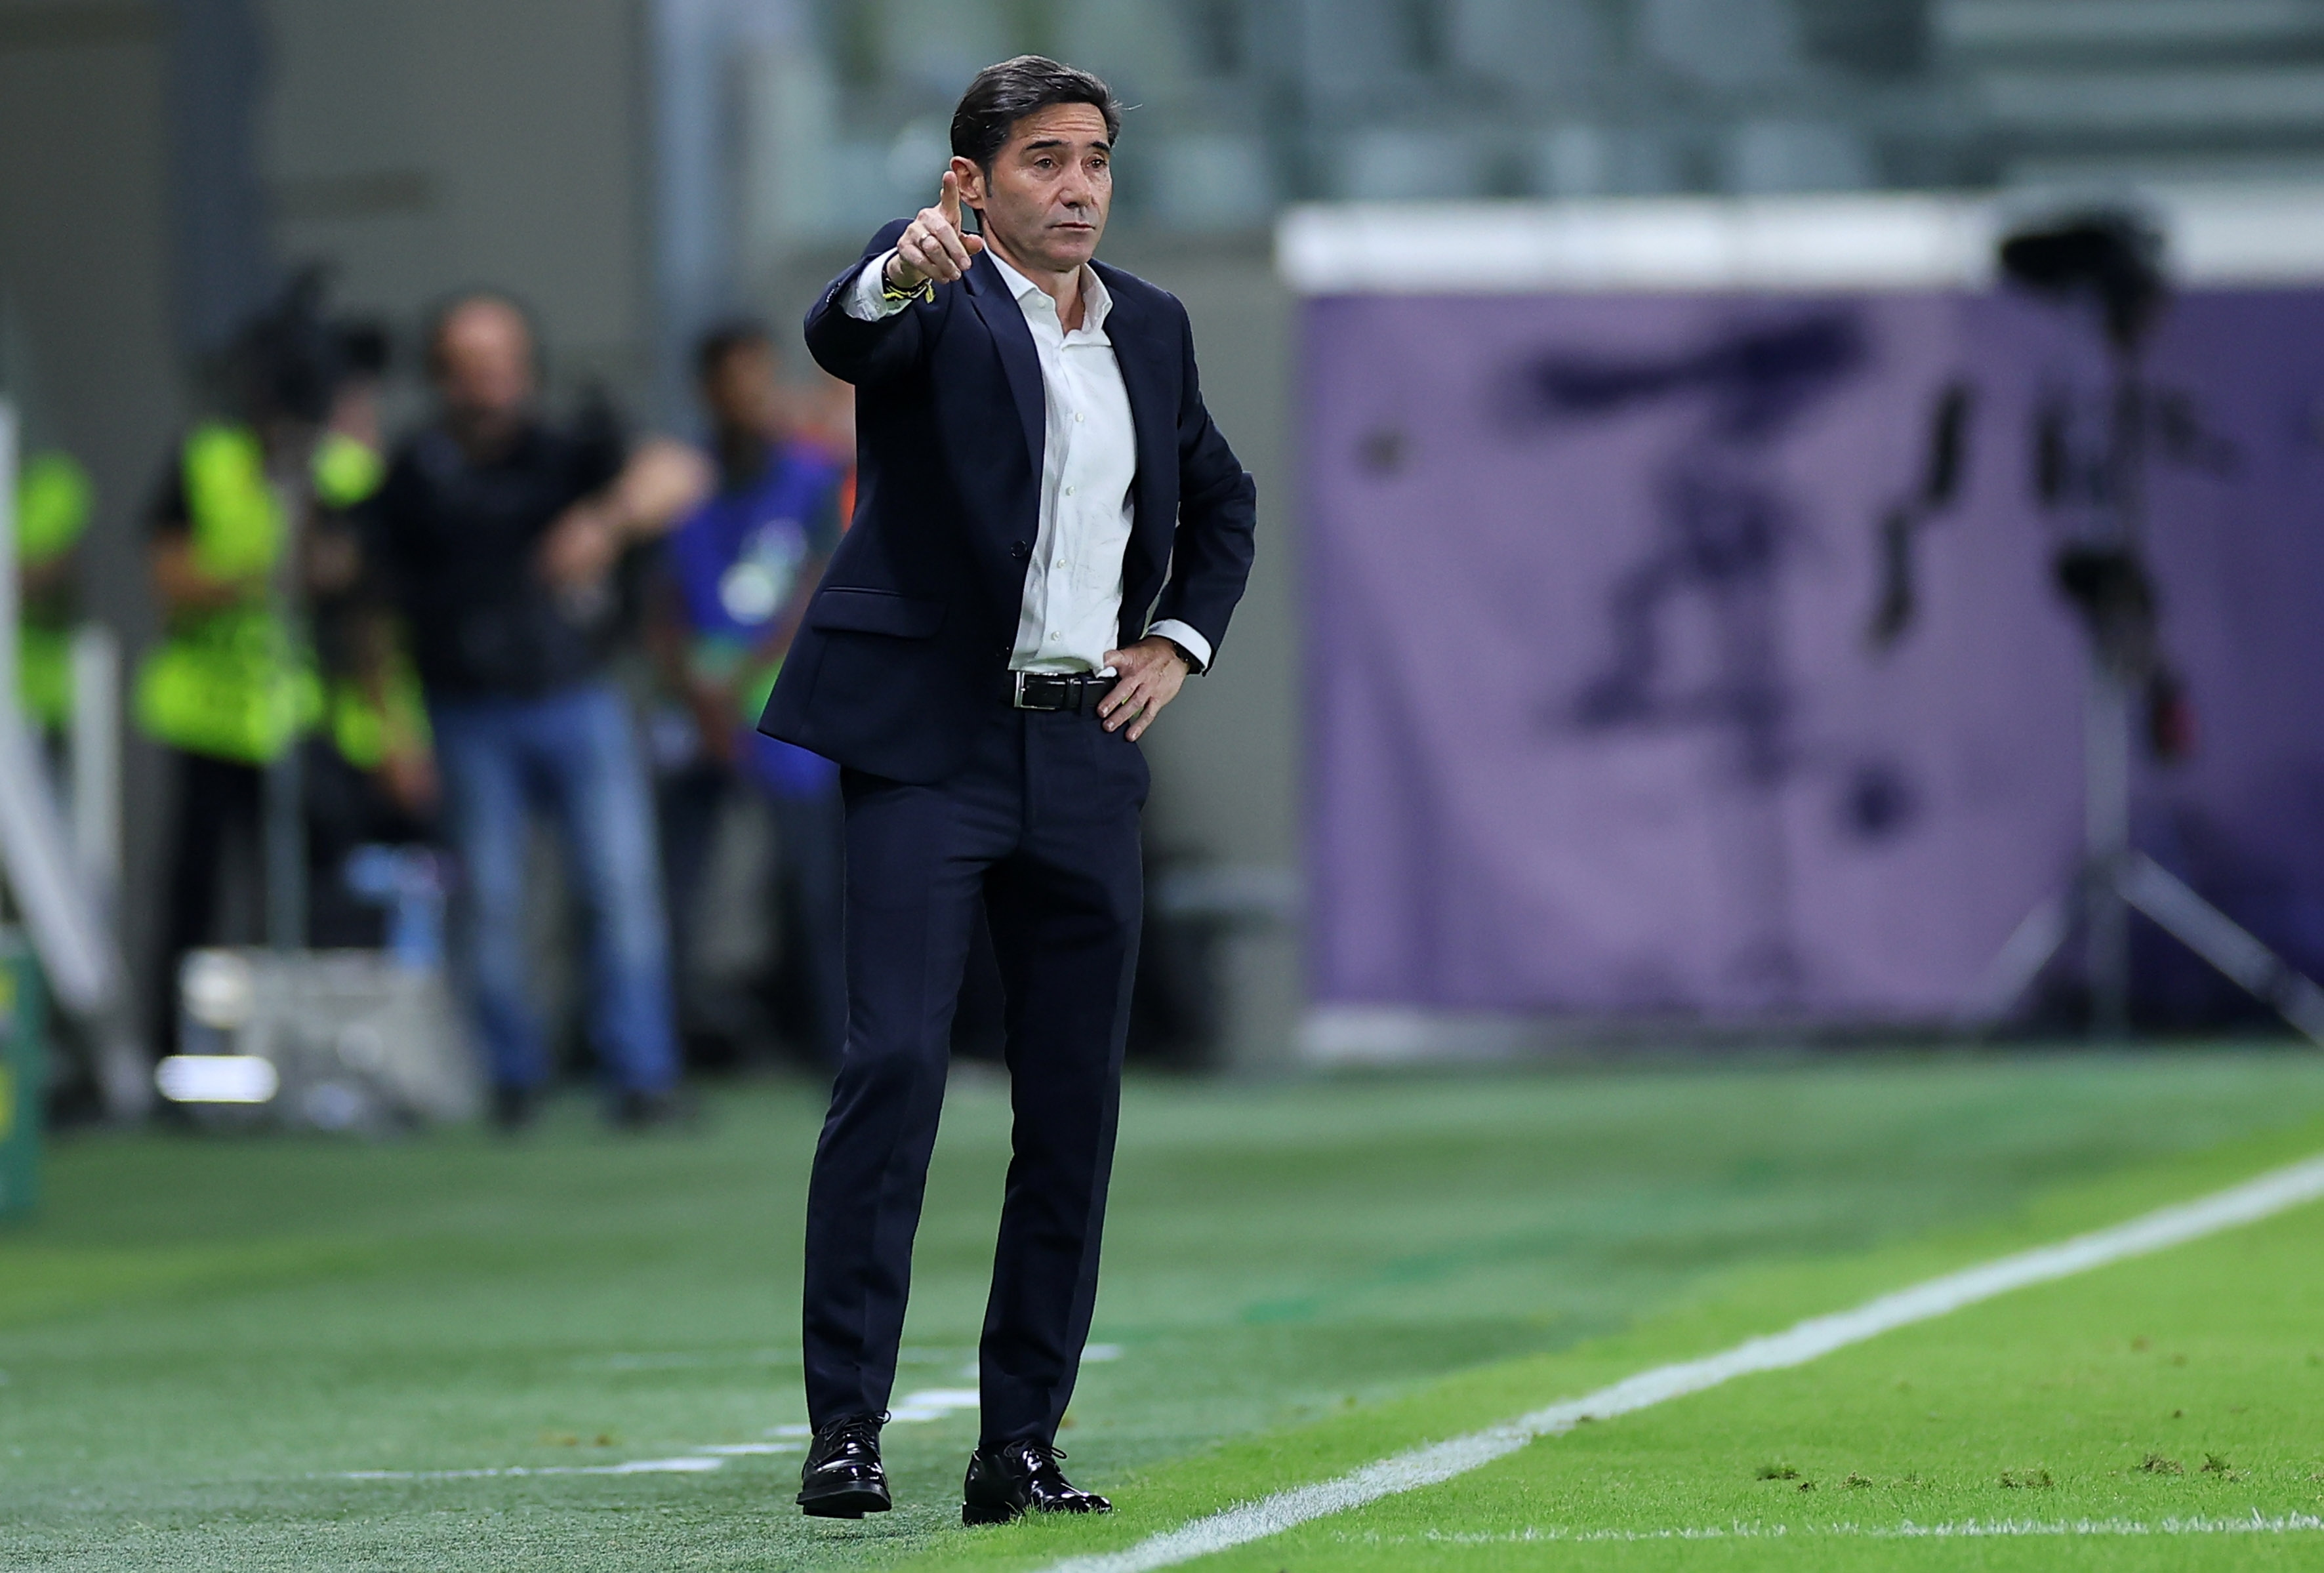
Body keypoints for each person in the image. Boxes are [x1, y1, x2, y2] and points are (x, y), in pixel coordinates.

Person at [767, 56, 1257, 1523]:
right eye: (1044, 160)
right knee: (897, 1066)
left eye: (1094, 158)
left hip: (1082, 753)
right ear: (969, 186)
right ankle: (845, 1429)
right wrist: (894, 275)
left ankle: (1019, 1440)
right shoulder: (925, 289)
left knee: (1070, 1108)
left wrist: (1172, 641)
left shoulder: (1151, 330)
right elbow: (844, 333)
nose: (1079, 187)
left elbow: (1220, 502)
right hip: (934, 740)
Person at [362, 293, 708, 1130]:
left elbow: (683, 473)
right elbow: (372, 610)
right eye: (470, 360)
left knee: (620, 888)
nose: (489, 376)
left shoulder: (568, 449)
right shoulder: (413, 473)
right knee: (492, 901)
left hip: (576, 696)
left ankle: (641, 1072)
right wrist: (392, 728)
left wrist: (604, 520)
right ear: (443, 373)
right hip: (466, 707)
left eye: (502, 356)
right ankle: (511, 1077)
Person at [649, 321, 847, 1068]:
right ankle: (661, 1050)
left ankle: (833, 1047)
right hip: (692, 710)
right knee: (677, 888)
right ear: (707, 391)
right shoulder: (679, 478)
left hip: (784, 708)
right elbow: (658, 599)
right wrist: (693, 688)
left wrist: (742, 673)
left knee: (813, 888)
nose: (749, 397)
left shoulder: (810, 475)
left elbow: (818, 581)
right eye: (733, 382)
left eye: (758, 380)